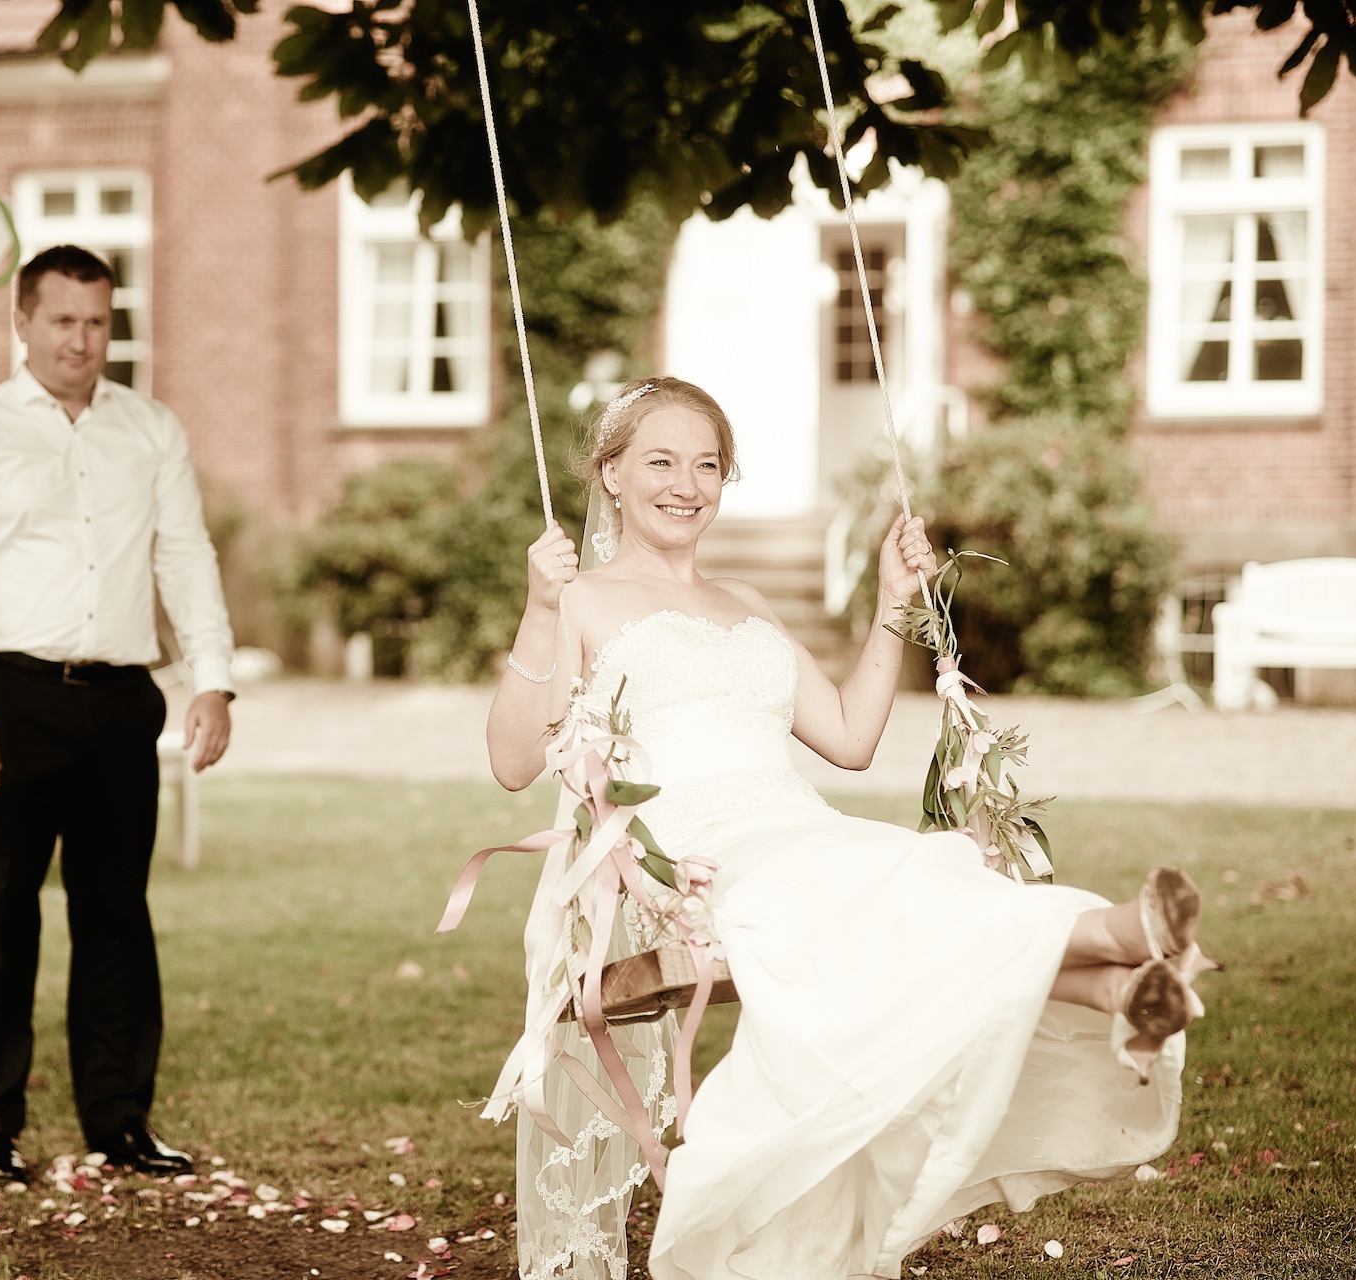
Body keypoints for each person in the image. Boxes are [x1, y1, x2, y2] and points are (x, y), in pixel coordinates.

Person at [485, 377, 1212, 1279]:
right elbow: (514, 761)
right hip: (699, 859)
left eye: (708, 464)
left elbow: (850, 738)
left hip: (796, 824)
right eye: (660, 462)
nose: (687, 484)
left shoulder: (746, 601)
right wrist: (540, 610)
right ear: (611, 476)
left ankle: (1116, 993)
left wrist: (890, 600)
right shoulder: (584, 599)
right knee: (859, 886)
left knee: (917, 867)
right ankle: (1113, 938)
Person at [0, 245, 237, 1185]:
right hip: (9, 701)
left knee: (116, 918)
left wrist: (211, 677)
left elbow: (185, 556)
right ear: (22, 322)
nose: (81, 341)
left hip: (121, 701)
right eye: (62, 321)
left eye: (97, 322)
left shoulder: (151, 429)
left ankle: (120, 1119)